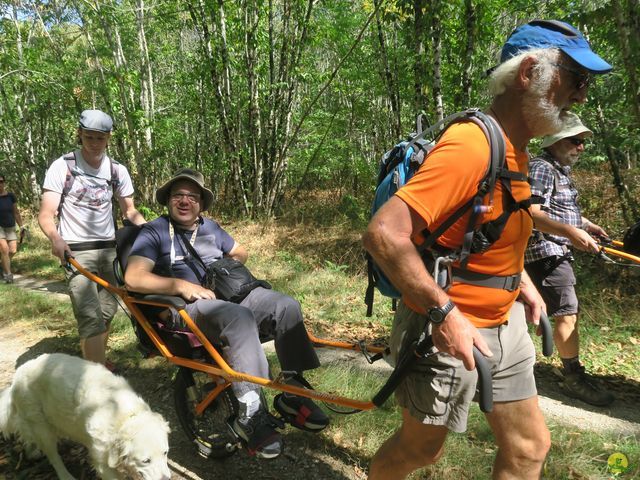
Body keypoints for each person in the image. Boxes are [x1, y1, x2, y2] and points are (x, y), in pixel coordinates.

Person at [362, 20, 612, 480]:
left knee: (528, 448)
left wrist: (523, 284)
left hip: (505, 321)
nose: (581, 95)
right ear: (528, 73)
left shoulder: (518, 149)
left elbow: (496, 230)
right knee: (421, 451)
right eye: (576, 79)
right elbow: (383, 234)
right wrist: (444, 315)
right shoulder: (470, 146)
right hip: (447, 325)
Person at [124, 168, 329, 460]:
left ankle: (293, 391)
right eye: (178, 195)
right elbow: (134, 278)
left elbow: (240, 252)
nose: (185, 201)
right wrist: (181, 285)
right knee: (238, 318)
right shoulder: (154, 231)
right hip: (184, 307)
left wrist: (223, 273)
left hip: (227, 299)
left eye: (192, 197)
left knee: (286, 306)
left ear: (201, 203)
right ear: (168, 200)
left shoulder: (211, 228)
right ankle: (250, 412)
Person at [38, 109, 146, 368]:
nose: (94, 144)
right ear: (80, 134)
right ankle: (98, 380)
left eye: (100, 138)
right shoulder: (63, 166)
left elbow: (129, 210)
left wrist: (154, 231)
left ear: (109, 137)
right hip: (76, 252)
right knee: (90, 317)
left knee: (107, 312)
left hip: (109, 251)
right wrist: (56, 238)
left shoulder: (117, 170)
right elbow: (46, 213)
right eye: (89, 137)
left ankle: (93, 365)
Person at [525, 112, 614, 406]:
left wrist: (586, 226)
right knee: (566, 312)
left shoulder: (557, 169)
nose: (581, 147)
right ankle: (573, 378)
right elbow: (533, 215)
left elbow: (559, 209)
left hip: (557, 248)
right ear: (556, 141)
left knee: (558, 311)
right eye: (575, 141)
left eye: (582, 142)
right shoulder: (541, 168)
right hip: (545, 251)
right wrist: (572, 233)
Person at [0, 174, 25, 283]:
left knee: (13, 250)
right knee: (4, 249)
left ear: (4, 182)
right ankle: (8, 274)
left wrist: (21, 226)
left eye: (1, 181)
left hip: (10, 226)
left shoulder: (11, 196)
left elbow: (16, 212)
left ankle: (3, 265)